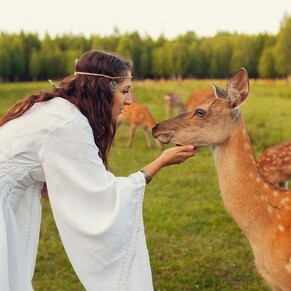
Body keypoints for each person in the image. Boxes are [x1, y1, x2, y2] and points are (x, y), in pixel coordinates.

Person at [0, 49, 196, 290]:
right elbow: (103, 195)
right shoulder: (68, 123)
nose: (130, 100)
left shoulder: (59, 110)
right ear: (103, 89)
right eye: (125, 91)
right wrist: (159, 163)